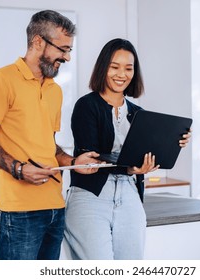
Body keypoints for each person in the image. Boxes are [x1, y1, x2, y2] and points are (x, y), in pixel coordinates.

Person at [0, 10, 99, 260]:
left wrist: (75, 163)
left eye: (69, 50)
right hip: (19, 211)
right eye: (62, 49)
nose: (67, 57)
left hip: (55, 206)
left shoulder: (55, 90)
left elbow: (49, 146)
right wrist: (19, 169)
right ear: (38, 41)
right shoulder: (1, 79)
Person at [64, 38, 192, 260]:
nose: (121, 74)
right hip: (91, 196)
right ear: (103, 67)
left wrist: (171, 143)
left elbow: (142, 152)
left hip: (129, 194)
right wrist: (131, 168)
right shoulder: (86, 106)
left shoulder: (138, 113)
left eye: (128, 68)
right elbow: (93, 158)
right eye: (114, 67)